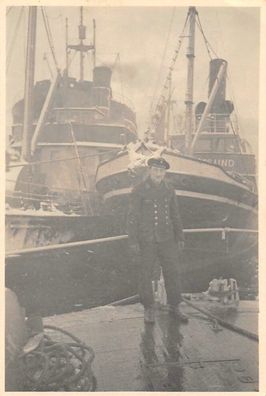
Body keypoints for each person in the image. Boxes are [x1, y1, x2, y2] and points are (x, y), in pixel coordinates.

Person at [127, 157, 189, 324]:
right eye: (155, 170)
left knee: (173, 272)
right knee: (145, 274)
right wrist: (133, 240)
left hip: (167, 238)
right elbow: (133, 217)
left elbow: (175, 214)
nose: (158, 173)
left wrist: (180, 236)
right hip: (146, 239)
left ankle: (174, 306)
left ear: (165, 173)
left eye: (161, 171)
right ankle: (148, 308)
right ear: (150, 170)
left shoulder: (169, 189)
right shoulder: (139, 189)